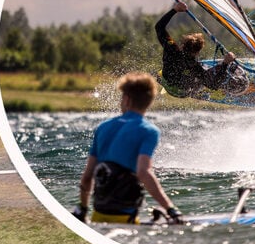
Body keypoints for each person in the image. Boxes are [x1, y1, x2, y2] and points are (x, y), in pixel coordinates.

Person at [72, 72, 182, 225]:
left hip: (97, 216)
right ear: (148, 101)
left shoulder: (103, 128)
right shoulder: (148, 131)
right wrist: (170, 209)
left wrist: (83, 209)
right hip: (126, 219)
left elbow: (87, 177)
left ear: (127, 99)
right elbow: (144, 172)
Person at [156, 1, 238, 95]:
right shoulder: (195, 66)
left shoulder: (171, 48)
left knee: (168, 73)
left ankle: (162, 79)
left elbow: (159, 27)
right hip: (181, 93)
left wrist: (175, 10)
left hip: (166, 82)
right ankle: (229, 79)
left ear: (183, 45)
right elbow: (213, 85)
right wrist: (225, 64)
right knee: (204, 76)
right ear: (197, 53)